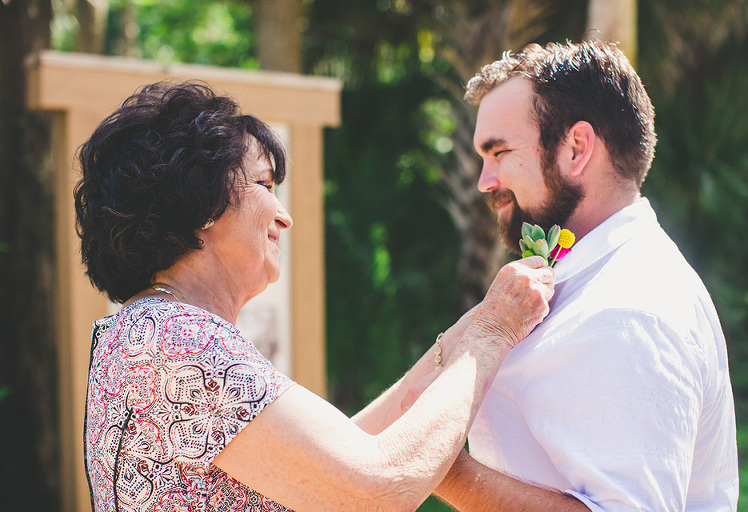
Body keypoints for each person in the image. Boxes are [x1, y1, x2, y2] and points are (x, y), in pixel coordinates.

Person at [75, 81, 555, 512]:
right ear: (199, 201)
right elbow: (373, 492)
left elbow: (340, 455)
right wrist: (494, 330)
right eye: (264, 184)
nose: (284, 217)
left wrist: (459, 340)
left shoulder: (147, 332)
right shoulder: (178, 342)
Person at [416, 40, 738, 511]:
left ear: (576, 147)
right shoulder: (594, 284)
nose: (485, 181)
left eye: (499, 152)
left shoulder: (629, 307)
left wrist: (440, 465)